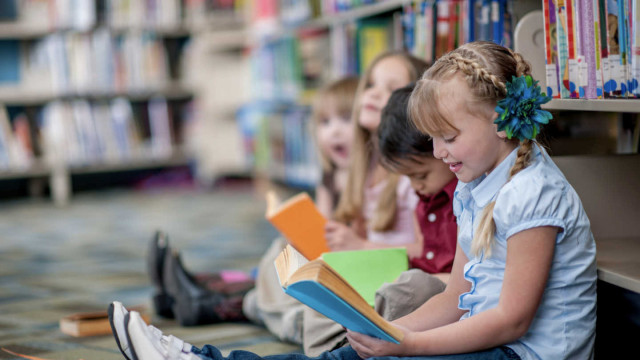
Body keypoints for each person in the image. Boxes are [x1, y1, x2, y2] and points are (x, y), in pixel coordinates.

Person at [113, 41, 597, 360]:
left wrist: (407, 345)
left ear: (500, 121)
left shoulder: (533, 193)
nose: (437, 152)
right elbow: (456, 296)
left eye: (447, 136)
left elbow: (512, 320)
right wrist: (389, 330)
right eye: (432, 139)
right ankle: (201, 358)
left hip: (522, 353)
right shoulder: (474, 185)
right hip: (493, 340)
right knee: (352, 352)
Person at [143, 76, 360, 330]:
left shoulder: (369, 180)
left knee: (270, 278)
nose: (334, 131)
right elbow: (322, 229)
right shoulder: (330, 177)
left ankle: (203, 297)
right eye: (325, 122)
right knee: (275, 262)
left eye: (346, 120)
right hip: (326, 261)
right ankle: (193, 288)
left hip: (343, 269)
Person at [302, 83, 458, 356]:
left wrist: (362, 247)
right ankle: (340, 338)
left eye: (419, 176)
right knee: (322, 279)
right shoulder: (425, 194)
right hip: (403, 275)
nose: (415, 185)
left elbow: (459, 277)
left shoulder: (460, 195)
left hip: (427, 286)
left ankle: (345, 340)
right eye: (370, 84)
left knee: (407, 287)